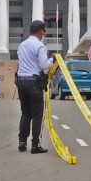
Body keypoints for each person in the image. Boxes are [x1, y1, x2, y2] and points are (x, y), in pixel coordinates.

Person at [15, 20, 53, 154]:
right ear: (41, 31)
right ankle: (35, 145)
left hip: (21, 82)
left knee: (25, 113)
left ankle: (22, 142)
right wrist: (52, 59)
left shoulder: (22, 45)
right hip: (34, 83)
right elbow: (44, 65)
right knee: (37, 114)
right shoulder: (40, 46)